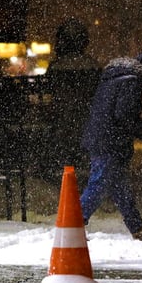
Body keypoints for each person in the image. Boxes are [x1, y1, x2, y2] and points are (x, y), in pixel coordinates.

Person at [79, 52, 142, 240]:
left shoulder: (113, 77)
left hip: (103, 137)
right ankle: (73, 224)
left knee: (119, 185)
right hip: (109, 142)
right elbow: (124, 114)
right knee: (99, 183)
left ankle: (137, 226)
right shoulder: (132, 81)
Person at [43, 18, 101, 171]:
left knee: (65, 161)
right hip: (85, 119)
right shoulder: (93, 66)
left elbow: (48, 90)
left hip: (63, 120)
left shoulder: (56, 67)